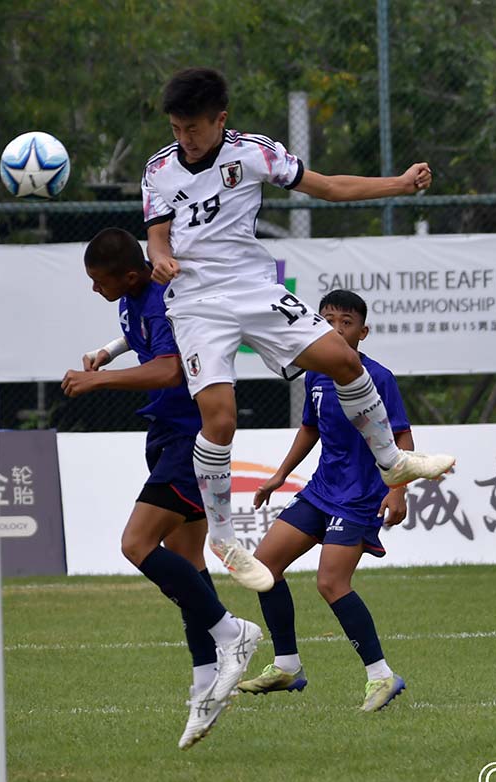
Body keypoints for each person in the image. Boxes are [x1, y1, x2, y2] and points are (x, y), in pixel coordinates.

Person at [142, 67, 454, 583]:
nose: (184, 139)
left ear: (220, 120)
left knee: (343, 360)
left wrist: (398, 184)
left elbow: (328, 187)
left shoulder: (254, 153)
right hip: (196, 302)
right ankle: (224, 539)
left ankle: (391, 461)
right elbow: (157, 236)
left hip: (254, 289)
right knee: (219, 420)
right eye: (176, 128)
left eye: (193, 128)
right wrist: (160, 259)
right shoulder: (158, 169)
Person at [61, 228, 265, 750]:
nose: (94, 289)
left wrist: (98, 380)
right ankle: (205, 683)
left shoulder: (159, 295)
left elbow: (172, 368)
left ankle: (232, 633)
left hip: (190, 438)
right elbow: (146, 336)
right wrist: (109, 350)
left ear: (130, 275)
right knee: (187, 560)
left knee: (136, 545)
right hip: (165, 433)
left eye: (99, 281)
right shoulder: (132, 297)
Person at [237, 290, 411, 711]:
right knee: (263, 567)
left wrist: (398, 489)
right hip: (321, 490)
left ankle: (381, 676)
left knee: (331, 584)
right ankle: (286, 665)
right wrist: (280, 474)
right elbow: (310, 429)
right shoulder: (315, 374)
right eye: (327, 320)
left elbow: (401, 435)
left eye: (345, 322)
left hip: (359, 496)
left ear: (362, 333)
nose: (335, 328)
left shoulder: (378, 377)